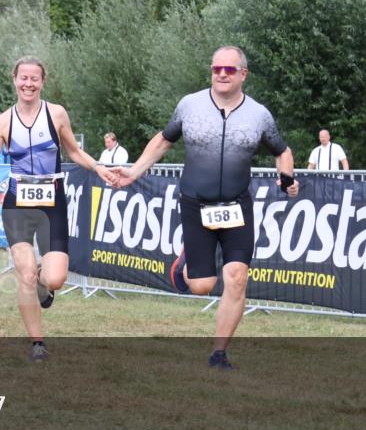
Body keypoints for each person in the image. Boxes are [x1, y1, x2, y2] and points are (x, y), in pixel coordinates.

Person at [108, 46, 299, 370]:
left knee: (237, 277)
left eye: (229, 69)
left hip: (237, 206)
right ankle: (186, 260)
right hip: (196, 204)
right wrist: (134, 171)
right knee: (202, 286)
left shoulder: (259, 115)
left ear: (243, 74)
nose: (222, 74)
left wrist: (287, 179)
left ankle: (219, 353)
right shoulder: (190, 105)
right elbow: (164, 140)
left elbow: (283, 151)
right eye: (216, 68)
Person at [0, 57, 115, 362]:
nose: (28, 84)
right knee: (25, 274)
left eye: (34, 78)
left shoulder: (56, 114)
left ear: (42, 82)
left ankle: (43, 280)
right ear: (14, 79)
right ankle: (37, 342)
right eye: (23, 78)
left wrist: (98, 167)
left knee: (56, 278)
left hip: (52, 204)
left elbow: (74, 151)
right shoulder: (3, 121)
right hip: (17, 205)